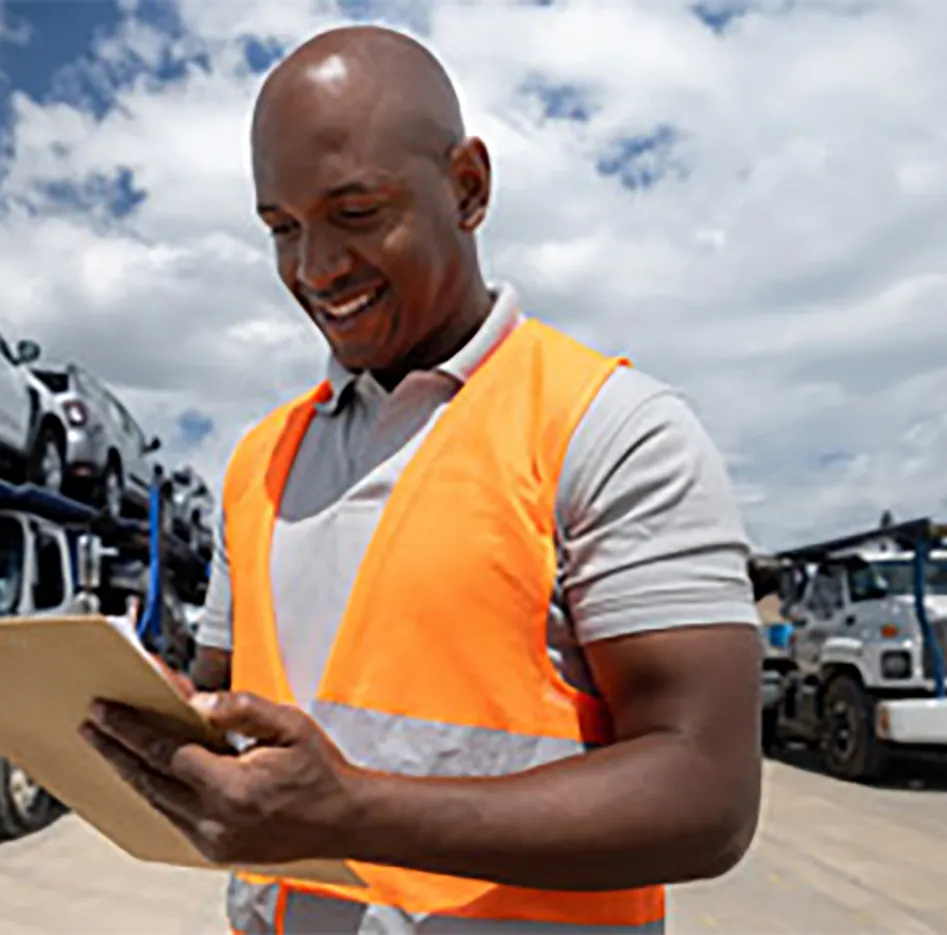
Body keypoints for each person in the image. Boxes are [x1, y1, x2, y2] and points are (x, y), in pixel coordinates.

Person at [81, 24, 764, 934]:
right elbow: (224, 696)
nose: (316, 270)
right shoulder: (261, 461)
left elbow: (706, 790)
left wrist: (353, 811)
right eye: (283, 229)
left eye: (356, 213)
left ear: (468, 188)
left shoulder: (610, 430)